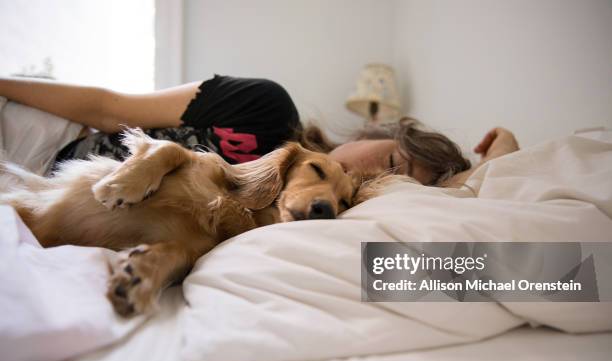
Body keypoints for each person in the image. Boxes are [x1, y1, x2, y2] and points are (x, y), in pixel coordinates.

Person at [0, 75, 519, 188]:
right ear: (376, 131)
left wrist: (504, 160)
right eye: (388, 161)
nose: (369, 174)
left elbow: (464, 209)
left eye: (395, 181)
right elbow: (111, 107)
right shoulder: (266, 107)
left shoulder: (308, 207)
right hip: (49, 139)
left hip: (46, 192)